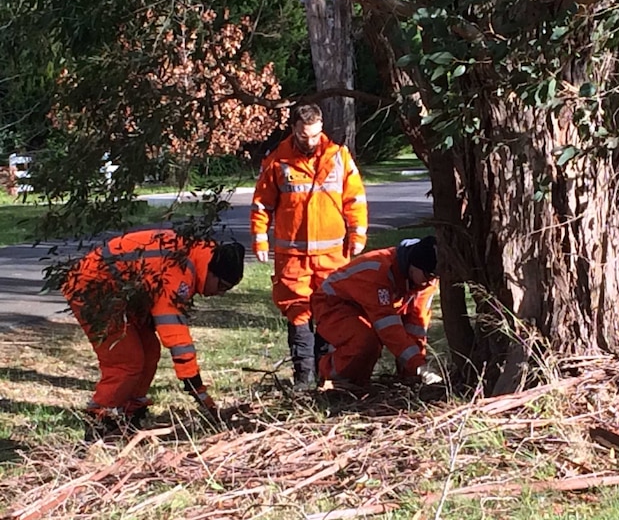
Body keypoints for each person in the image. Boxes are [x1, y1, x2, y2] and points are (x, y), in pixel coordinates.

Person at [62, 229, 245, 438]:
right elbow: (176, 337)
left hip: (120, 295)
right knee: (126, 360)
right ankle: (99, 422)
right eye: (221, 286)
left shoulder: (196, 256)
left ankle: (131, 413)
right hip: (92, 289)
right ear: (212, 271)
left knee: (149, 352)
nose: (219, 294)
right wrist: (195, 386)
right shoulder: (179, 273)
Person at [251, 103, 368, 390]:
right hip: (292, 256)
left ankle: (327, 375)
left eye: (316, 135)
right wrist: (260, 237)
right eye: (305, 137)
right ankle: (304, 378)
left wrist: (357, 236)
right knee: (298, 313)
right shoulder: (278, 161)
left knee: (330, 311)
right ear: (294, 130)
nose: (311, 142)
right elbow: (262, 204)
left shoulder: (338, 157)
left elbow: (355, 200)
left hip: (332, 255)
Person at [311, 236, 443, 386]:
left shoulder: (425, 282)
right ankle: (329, 378)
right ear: (413, 265)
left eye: (435, 277)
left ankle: (358, 384)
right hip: (333, 303)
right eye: (428, 275)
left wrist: (415, 370)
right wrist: (418, 365)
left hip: (365, 307)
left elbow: (416, 327)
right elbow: (388, 328)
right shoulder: (377, 271)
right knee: (365, 342)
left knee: (372, 345)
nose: (431, 282)